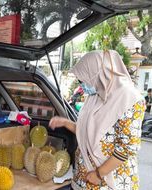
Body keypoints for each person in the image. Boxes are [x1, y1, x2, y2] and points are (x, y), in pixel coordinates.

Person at [49, 50, 145, 190]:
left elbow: (127, 147)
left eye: (82, 80)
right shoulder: (95, 96)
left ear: (96, 73)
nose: (81, 84)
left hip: (108, 182)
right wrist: (64, 122)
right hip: (84, 179)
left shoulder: (130, 99)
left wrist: (99, 174)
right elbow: (87, 132)